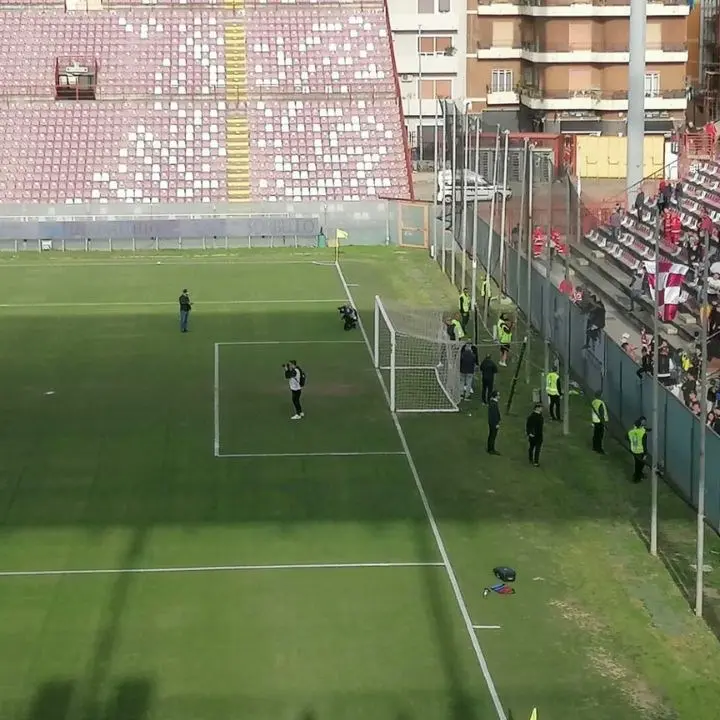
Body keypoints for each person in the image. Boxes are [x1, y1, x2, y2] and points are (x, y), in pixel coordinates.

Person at [628, 416, 650, 483]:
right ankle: (636, 478)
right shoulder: (642, 433)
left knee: (638, 463)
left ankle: (639, 474)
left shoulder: (631, 432)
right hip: (640, 451)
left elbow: (626, 437)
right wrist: (645, 453)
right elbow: (644, 444)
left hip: (634, 450)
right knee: (640, 464)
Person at [526, 403, 544, 467]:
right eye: (540, 408)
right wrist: (529, 433)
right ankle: (533, 460)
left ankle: (534, 460)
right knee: (533, 448)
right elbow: (528, 426)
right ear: (537, 408)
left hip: (538, 435)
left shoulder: (540, 416)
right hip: (534, 435)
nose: (541, 409)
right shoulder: (533, 417)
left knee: (536, 448)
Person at [487, 390, 501, 455]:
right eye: (498, 395)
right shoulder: (494, 404)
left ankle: (490, 448)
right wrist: (496, 424)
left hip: (492, 423)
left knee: (491, 435)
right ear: (495, 396)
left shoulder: (493, 403)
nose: (499, 396)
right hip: (493, 423)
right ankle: (491, 449)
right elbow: (494, 415)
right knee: (492, 436)